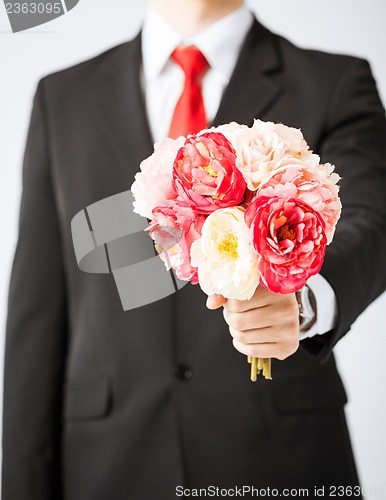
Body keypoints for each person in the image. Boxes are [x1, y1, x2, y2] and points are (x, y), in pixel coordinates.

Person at [2, 0, 386, 498]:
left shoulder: (332, 80)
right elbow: (37, 310)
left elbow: (372, 220)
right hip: (108, 460)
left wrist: (303, 299)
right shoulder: (63, 98)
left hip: (280, 458)